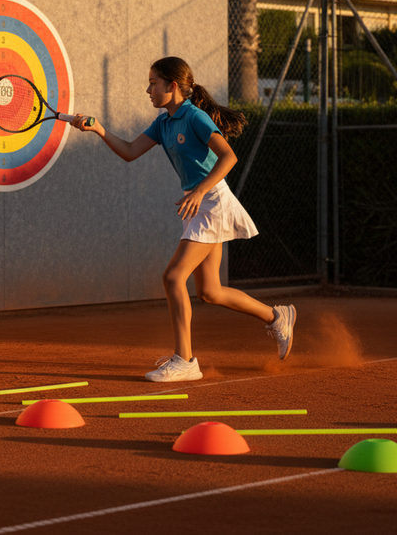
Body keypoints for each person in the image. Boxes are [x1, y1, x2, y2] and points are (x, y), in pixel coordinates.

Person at [71, 56, 295, 382]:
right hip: (200, 202)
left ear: (172, 85)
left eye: (153, 83)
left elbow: (229, 156)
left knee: (174, 277)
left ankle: (185, 360)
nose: (148, 90)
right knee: (210, 291)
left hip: (212, 201)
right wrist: (99, 129)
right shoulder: (163, 123)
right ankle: (276, 317)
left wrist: (200, 191)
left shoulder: (194, 116)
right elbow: (130, 151)